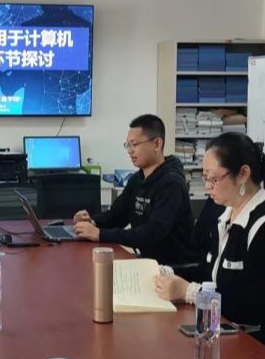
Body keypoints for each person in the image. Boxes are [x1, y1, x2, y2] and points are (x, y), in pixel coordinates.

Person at [154, 133, 265, 348]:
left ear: (243, 174)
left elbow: (252, 307)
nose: (207, 187)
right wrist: (165, 272)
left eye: (213, 179)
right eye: (205, 178)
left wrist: (188, 292)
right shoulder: (229, 213)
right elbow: (211, 272)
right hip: (238, 334)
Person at [73, 114, 199, 266]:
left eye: (135, 144)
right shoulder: (137, 179)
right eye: (128, 145)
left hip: (175, 268)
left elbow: (152, 233)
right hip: (149, 262)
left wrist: (100, 234)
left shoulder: (172, 184)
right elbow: (117, 216)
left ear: (157, 144)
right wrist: (92, 222)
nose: (130, 151)